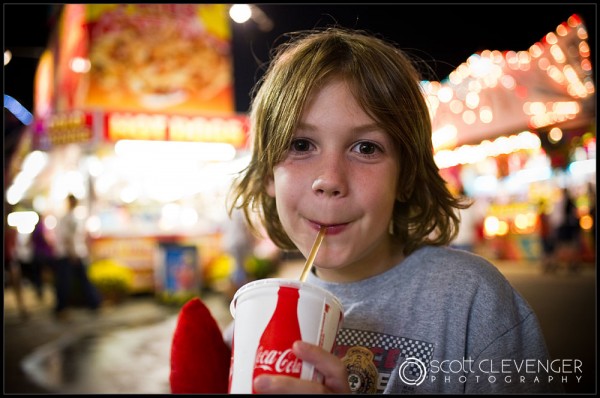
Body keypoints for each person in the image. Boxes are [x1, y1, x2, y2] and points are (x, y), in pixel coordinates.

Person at [171, 27, 563, 394]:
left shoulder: (470, 302)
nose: (329, 179)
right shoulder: (252, 326)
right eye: (302, 145)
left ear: (406, 174)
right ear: (269, 176)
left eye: (366, 148)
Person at [53, 194, 102, 319]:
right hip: (69, 254)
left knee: (80, 279)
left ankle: (93, 303)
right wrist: (73, 253)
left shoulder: (72, 217)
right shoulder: (67, 218)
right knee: (66, 281)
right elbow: (68, 238)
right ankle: (62, 307)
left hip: (75, 253)